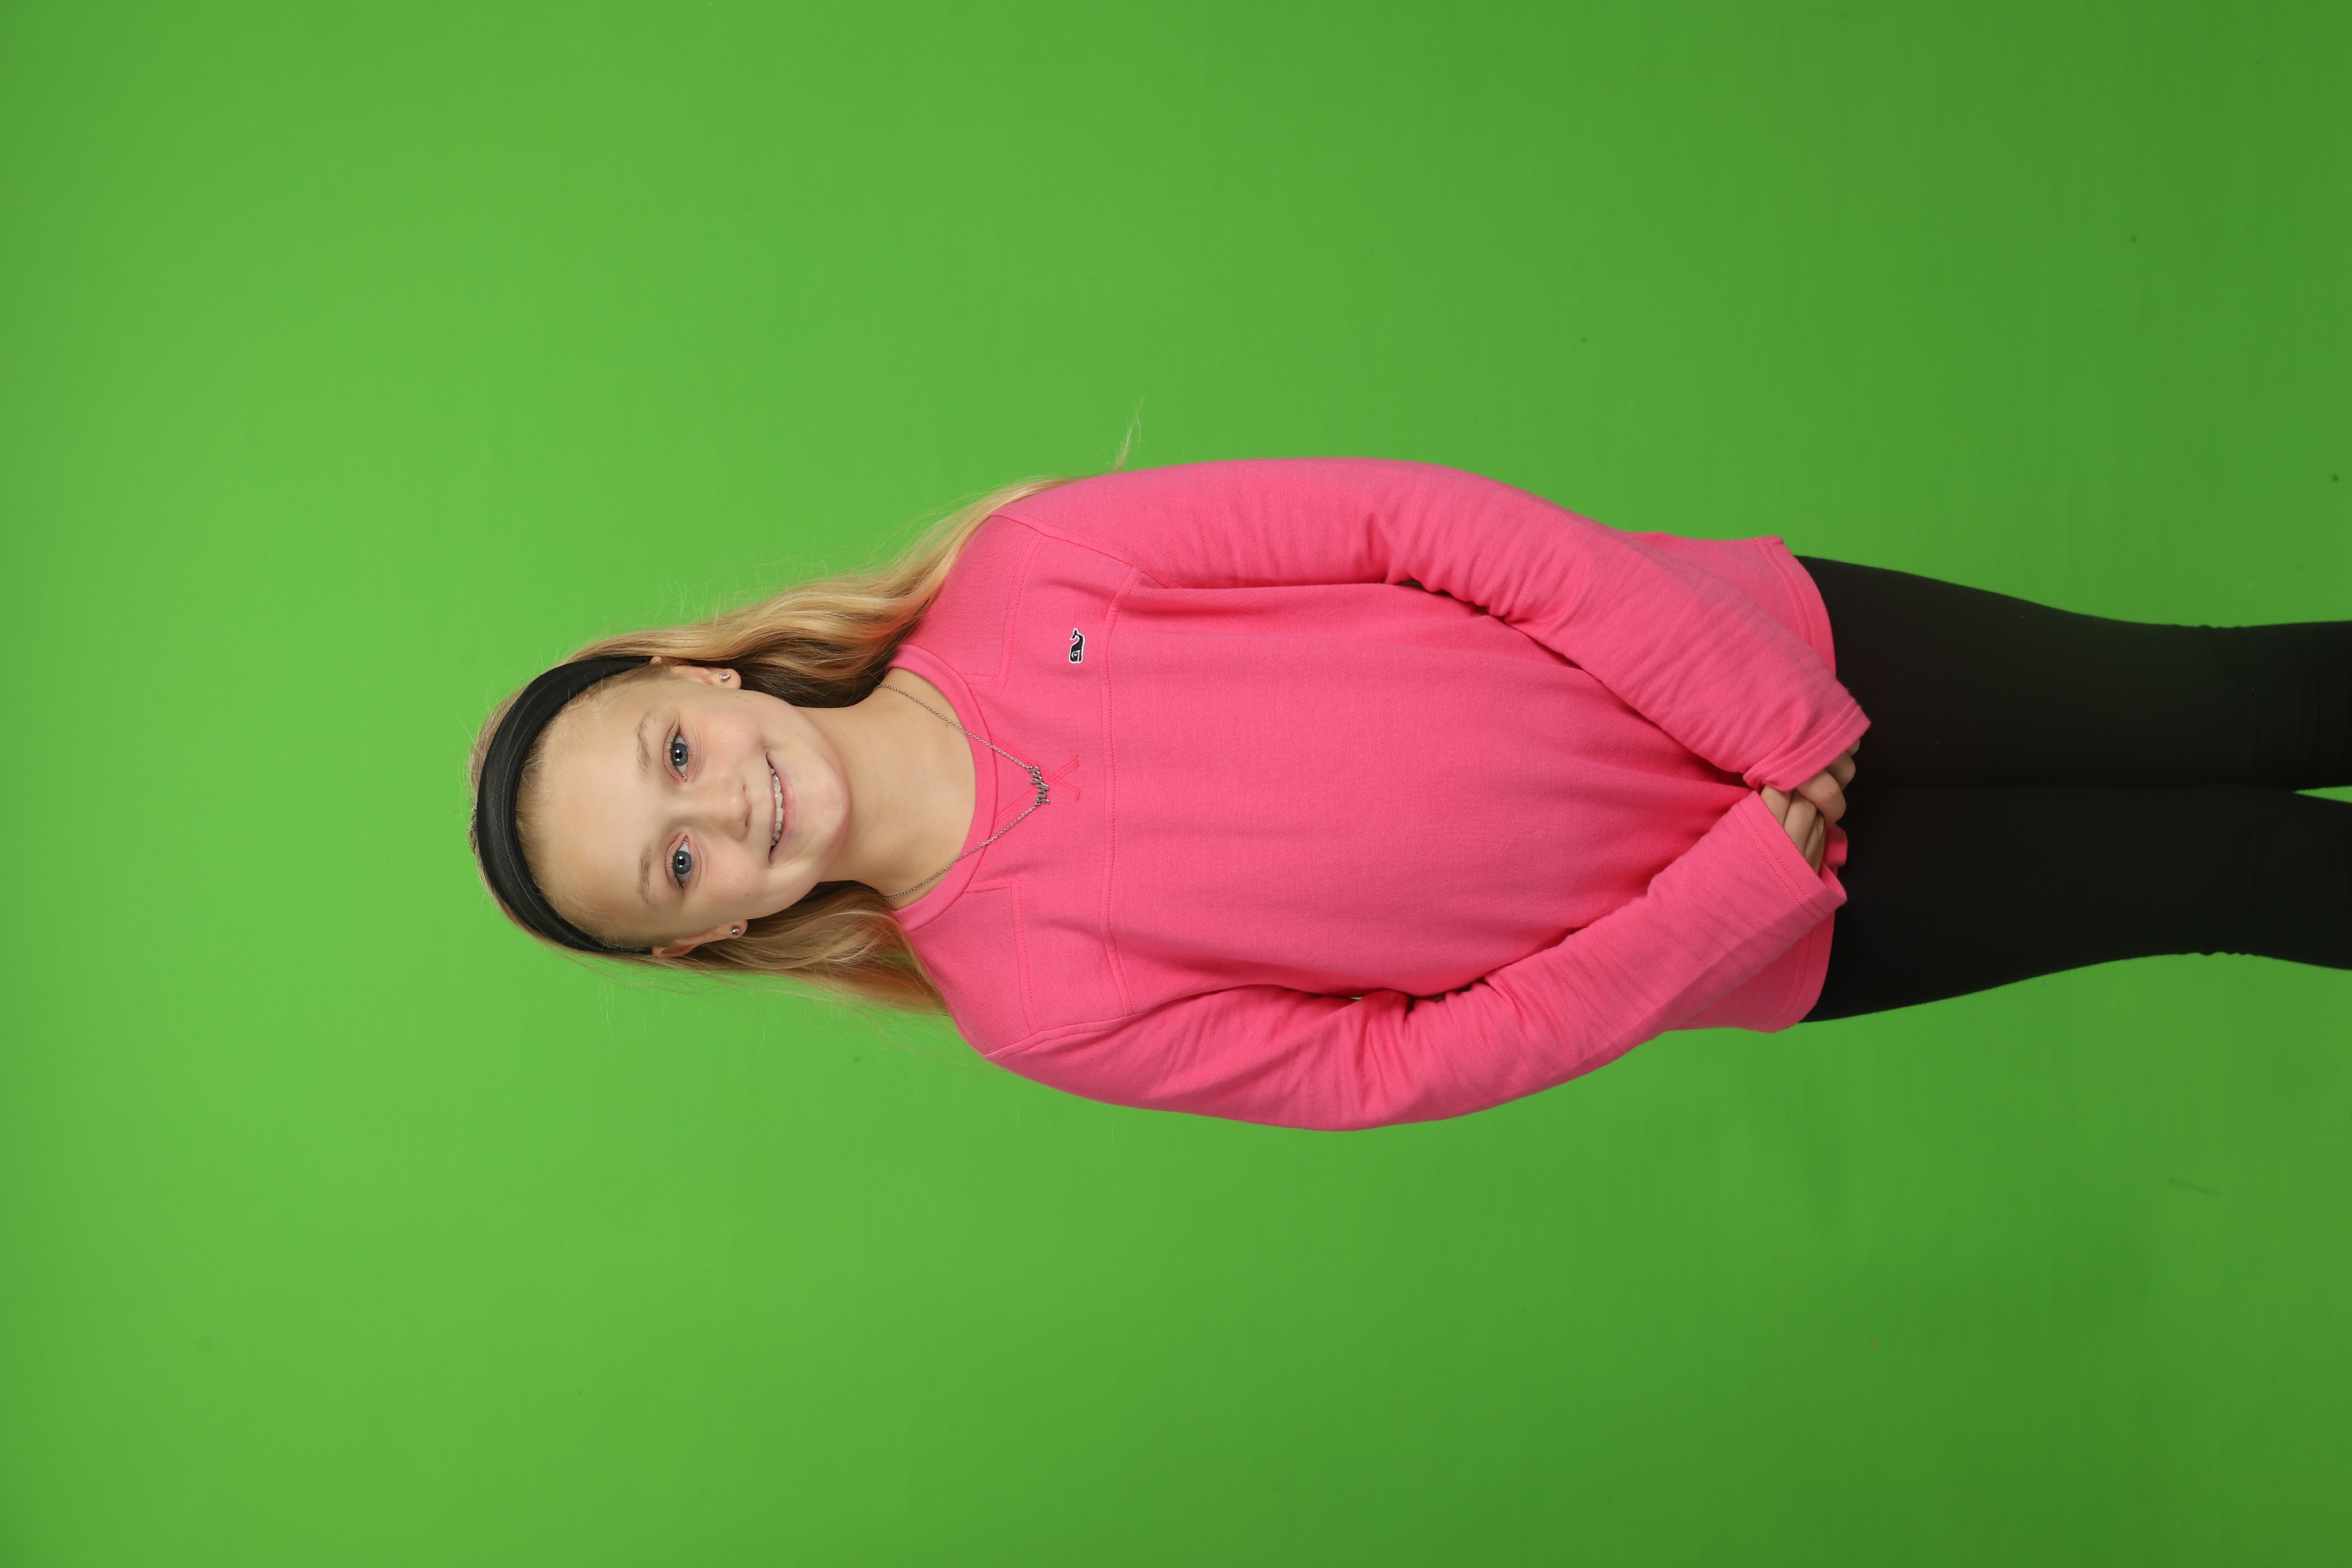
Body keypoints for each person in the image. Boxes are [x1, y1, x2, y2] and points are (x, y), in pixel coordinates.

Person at [468, 459, 2351, 1130]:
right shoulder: (1038, 1007)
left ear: (698, 678)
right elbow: (1399, 1065)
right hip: (1781, 920)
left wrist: (1760, 706)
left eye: (672, 759)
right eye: (676, 864)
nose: (726, 812)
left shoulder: (1038, 569)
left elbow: (1418, 523)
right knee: (2218, 872)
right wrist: (1724, 898)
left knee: (2219, 697)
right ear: (714, 928)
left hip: (1762, 652)